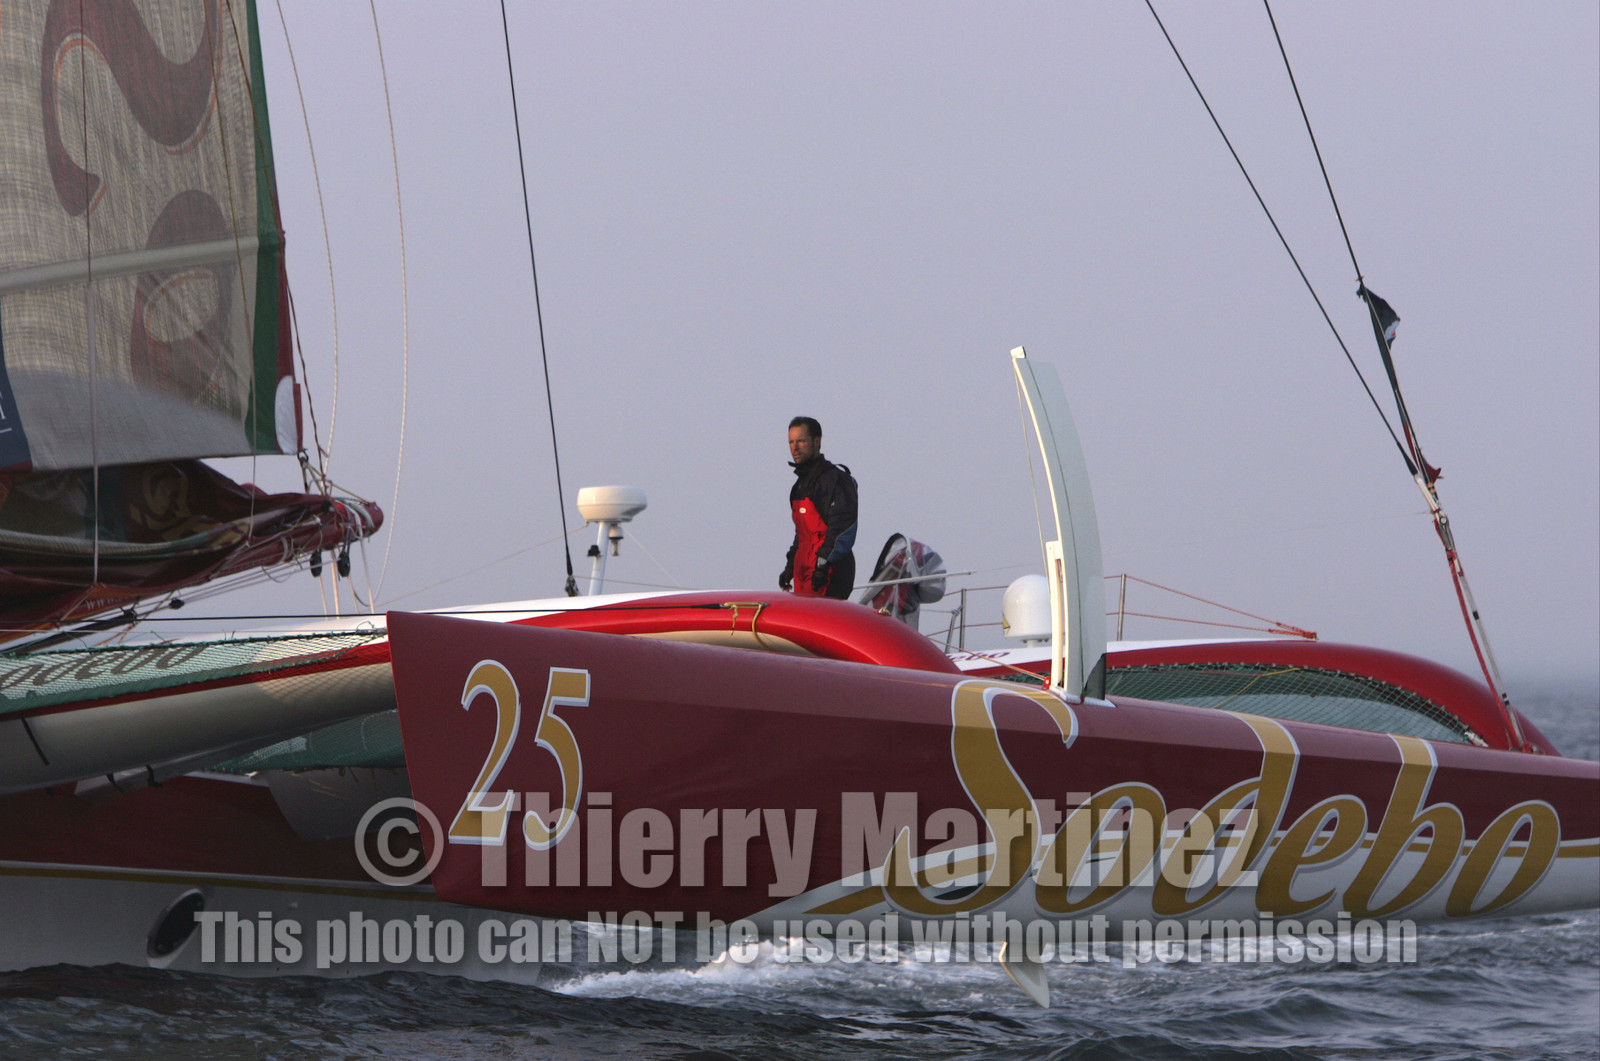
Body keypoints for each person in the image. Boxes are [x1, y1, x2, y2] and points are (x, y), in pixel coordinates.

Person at [779, 416, 856, 599]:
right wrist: (790, 567)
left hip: (827, 573)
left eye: (801, 441)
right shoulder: (799, 487)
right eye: (791, 442)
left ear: (817, 441)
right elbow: (802, 533)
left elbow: (842, 529)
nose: (794, 447)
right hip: (803, 571)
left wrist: (823, 564)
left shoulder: (835, 481)